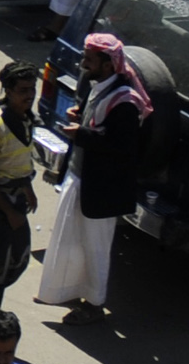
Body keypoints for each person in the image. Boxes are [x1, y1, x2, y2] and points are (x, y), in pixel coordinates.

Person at [35, 36, 150, 314]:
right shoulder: (99, 86)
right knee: (70, 238)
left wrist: (82, 134)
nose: (83, 63)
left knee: (95, 247)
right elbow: (99, 122)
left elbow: (121, 148)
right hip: (81, 177)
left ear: (109, 65)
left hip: (102, 188)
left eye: (89, 59)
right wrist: (81, 117)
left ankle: (95, 304)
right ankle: (64, 291)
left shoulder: (125, 102)